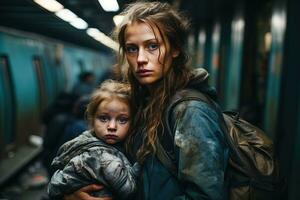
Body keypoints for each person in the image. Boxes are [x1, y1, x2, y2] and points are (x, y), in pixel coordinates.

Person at [65, 1, 229, 200]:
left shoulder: (191, 112)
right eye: (132, 49)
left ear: (175, 48)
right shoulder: (144, 102)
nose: (141, 58)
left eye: (152, 46)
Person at [48, 79, 140, 200]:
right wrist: (142, 162)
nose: (112, 127)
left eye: (122, 120)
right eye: (103, 118)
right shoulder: (103, 156)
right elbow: (129, 190)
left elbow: (54, 186)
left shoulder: (83, 143)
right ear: (92, 119)